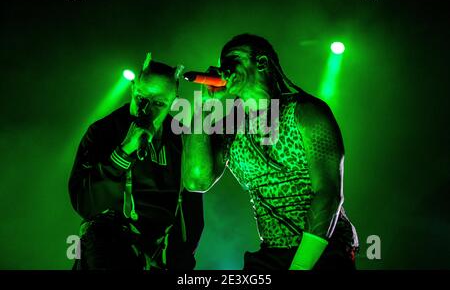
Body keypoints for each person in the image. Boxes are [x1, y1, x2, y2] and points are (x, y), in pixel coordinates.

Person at [182, 34, 358, 270]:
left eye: (232, 61)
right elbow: (196, 180)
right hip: (271, 253)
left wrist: (300, 266)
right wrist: (205, 107)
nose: (224, 70)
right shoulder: (231, 126)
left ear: (262, 63)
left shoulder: (306, 112)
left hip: (325, 248)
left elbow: (328, 194)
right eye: (222, 64)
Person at [69, 56, 204, 270]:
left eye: (160, 103)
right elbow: (85, 204)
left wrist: (182, 260)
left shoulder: (182, 139)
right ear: (133, 88)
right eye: (142, 98)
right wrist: (123, 152)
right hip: (109, 248)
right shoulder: (103, 131)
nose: (148, 109)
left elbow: (192, 212)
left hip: (159, 253)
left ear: (174, 100)